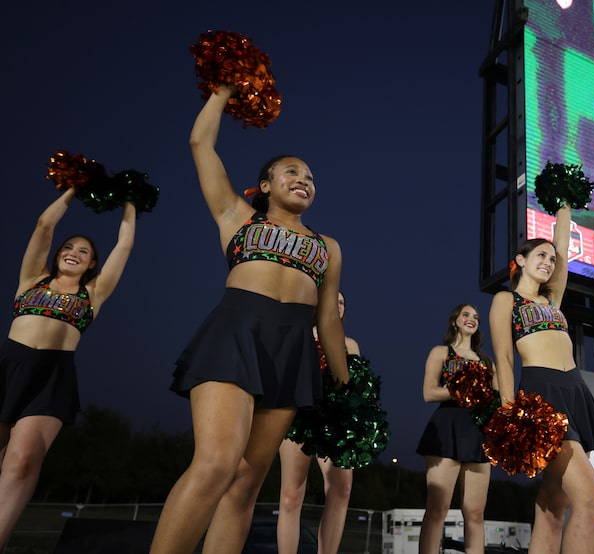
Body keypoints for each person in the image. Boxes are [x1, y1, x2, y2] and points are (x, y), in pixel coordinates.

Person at [149, 84, 349, 554]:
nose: (304, 179)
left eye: (311, 177)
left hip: (294, 350)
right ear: (265, 185)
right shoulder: (236, 217)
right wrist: (222, 91)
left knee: (245, 484)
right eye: (291, 172)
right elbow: (201, 144)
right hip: (236, 334)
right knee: (217, 463)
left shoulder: (328, 247)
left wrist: (344, 387)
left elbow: (329, 321)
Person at [0, 188, 136, 547]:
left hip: (53, 377)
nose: (73, 253)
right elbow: (44, 225)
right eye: (68, 248)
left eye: (83, 251)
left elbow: (123, 246)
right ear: (57, 254)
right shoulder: (31, 279)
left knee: (23, 460)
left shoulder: (93, 293)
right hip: (8, 367)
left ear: (92, 263)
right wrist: (73, 188)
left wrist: (129, 201)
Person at [489, 205, 594, 554]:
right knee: (592, 501)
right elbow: (505, 358)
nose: (549, 262)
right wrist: (511, 412)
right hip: (541, 397)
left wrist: (565, 206)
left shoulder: (552, 298)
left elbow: (562, 243)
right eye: (540, 255)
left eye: (552, 259)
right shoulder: (506, 300)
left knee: (553, 506)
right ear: (520, 260)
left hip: (575, 391)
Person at [277, 291, 359, 554]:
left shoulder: (351, 345)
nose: (338, 305)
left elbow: (356, 389)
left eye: (342, 302)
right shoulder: (298, 335)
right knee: (291, 495)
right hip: (298, 414)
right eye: (333, 300)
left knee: (342, 488)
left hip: (335, 421)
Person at [417, 304, 495, 554]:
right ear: (454, 321)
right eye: (466, 314)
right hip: (447, 429)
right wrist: (463, 389)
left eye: (476, 317)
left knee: (475, 512)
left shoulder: (486, 361)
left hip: (478, 433)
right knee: (437, 509)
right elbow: (429, 393)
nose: (471, 319)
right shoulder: (441, 352)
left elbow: (497, 396)